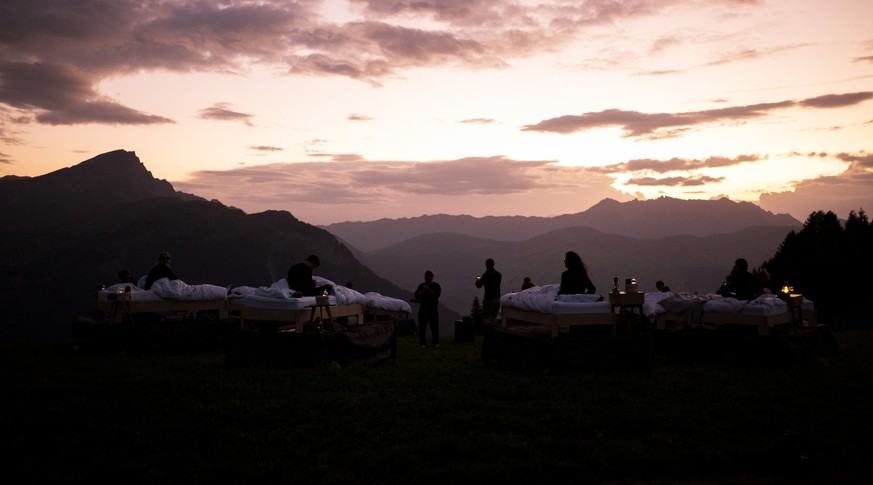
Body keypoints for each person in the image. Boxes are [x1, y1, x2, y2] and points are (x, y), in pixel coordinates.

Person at [413, 270, 441, 348]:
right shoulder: (421, 285)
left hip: (432, 309)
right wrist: (421, 293)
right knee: (422, 327)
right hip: (423, 309)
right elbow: (416, 294)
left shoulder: (436, 285)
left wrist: (427, 290)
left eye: (428, 276)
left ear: (432, 277)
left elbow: (436, 294)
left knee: (434, 326)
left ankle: (435, 343)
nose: (426, 277)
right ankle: (423, 343)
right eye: (425, 276)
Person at [474, 258, 502, 324]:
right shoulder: (498, 275)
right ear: (493, 264)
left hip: (488, 299)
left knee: (485, 318)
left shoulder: (485, 275)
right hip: (497, 298)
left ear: (486, 265)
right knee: (493, 318)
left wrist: (477, 280)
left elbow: (479, 285)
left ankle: (487, 329)